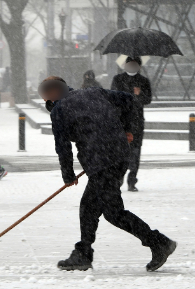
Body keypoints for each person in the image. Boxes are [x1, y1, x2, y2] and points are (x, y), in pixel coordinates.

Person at [40, 76, 176, 272]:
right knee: (96, 209)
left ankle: (158, 242)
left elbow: (63, 147)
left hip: (101, 161)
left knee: (109, 212)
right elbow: (129, 99)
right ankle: (84, 252)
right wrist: (127, 129)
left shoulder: (60, 110)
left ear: (52, 94)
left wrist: (68, 176)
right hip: (118, 155)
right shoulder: (93, 92)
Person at [110, 56, 152, 192]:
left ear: (139, 67)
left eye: (135, 64)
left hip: (137, 122)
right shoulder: (118, 79)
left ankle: (132, 180)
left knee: (135, 151)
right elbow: (112, 97)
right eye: (129, 64)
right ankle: (119, 178)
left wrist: (138, 96)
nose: (132, 66)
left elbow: (148, 99)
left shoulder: (143, 81)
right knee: (120, 151)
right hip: (120, 121)